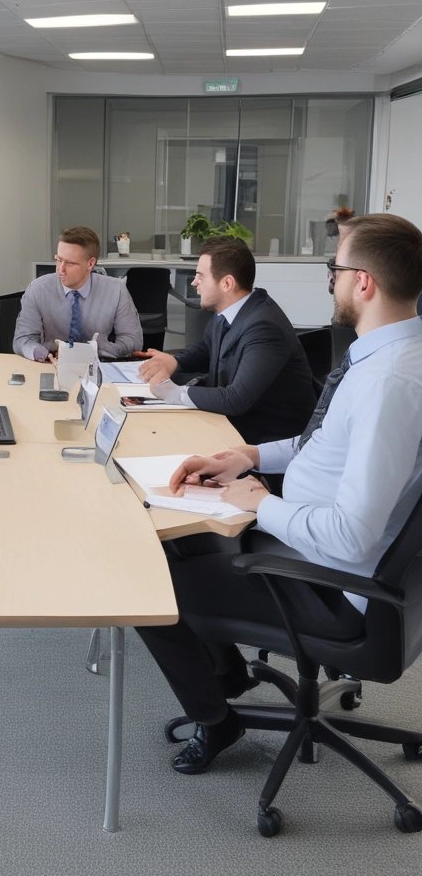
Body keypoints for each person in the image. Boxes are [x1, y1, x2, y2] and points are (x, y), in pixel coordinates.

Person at [135, 213, 422, 775]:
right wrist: (247, 458)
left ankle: (218, 719)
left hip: (334, 584)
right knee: (180, 543)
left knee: (147, 584)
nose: (331, 280)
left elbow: (352, 535)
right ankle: (224, 676)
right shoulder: (389, 357)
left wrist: (259, 503)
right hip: (316, 545)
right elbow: (324, 444)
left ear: (363, 282)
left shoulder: (389, 383)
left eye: (335, 268)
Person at [137, 236, 316, 444]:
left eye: (200, 276)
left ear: (227, 283)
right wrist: (175, 362)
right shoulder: (230, 310)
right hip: (231, 425)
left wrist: (172, 393)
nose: (194, 283)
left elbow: (236, 399)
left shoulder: (264, 327)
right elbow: (206, 348)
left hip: (265, 440)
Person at [13, 226, 142, 362]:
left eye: (70, 263)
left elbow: (133, 341)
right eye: (59, 260)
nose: (60, 269)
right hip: (51, 363)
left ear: (90, 264)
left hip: (98, 364)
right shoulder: (38, 289)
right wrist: (41, 353)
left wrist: (95, 349)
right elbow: (23, 340)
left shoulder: (116, 290)